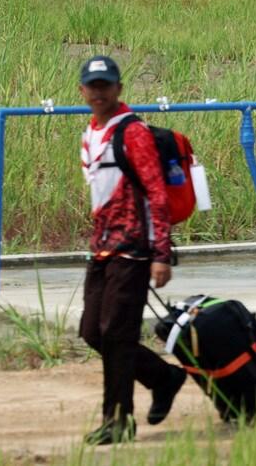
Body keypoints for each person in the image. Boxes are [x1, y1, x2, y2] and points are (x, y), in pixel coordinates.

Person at [76, 55, 186, 445]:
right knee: (92, 331)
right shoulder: (91, 133)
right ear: (83, 91)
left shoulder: (133, 132)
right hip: (102, 247)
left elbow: (156, 193)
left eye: (106, 85)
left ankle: (117, 420)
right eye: (93, 85)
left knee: (117, 334)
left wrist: (160, 252)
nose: (99, 91)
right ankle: (164, 376)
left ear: (119, 89)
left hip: (135, 248)